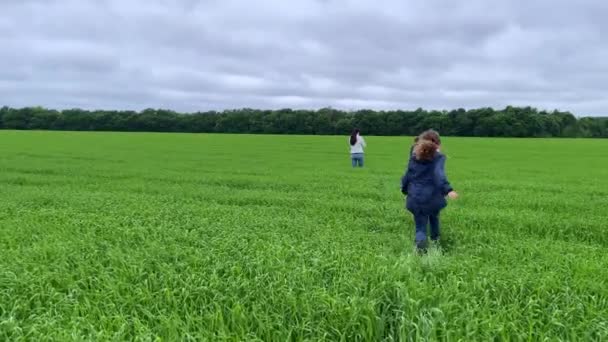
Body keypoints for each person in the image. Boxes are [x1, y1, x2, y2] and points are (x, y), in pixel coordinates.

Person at [401, 133, 458, 252]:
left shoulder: (414, 156)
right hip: (432, 198)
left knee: (420, 225)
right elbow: (438, 174)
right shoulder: (438, 157)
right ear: (437, 144)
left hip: (415, 198)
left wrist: (405, 189)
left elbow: (407, 176)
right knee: (434, 216)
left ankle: (420, 244)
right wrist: (448, 190)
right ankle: (435, 242)